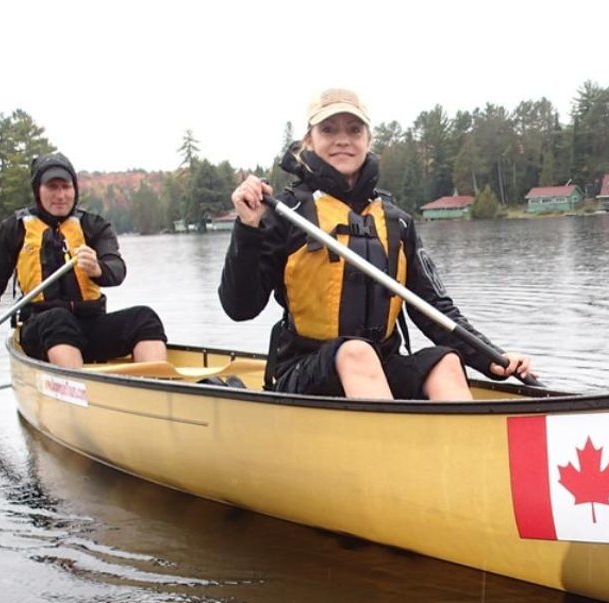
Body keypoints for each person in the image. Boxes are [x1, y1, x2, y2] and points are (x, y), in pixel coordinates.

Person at [219, 88, 533, 399]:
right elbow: (240, 308)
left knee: (446, 361)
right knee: (356, 353)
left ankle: (464, 446)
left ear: (368, 141)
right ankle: (391, 445)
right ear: (309, 140)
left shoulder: (396, 221)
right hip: (304, 370)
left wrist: (493, 358)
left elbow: (435, 309)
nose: (342, 139)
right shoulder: (286, 213)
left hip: (381, 365)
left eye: (354, 130)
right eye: (328, 129)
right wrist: (248, 228)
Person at [0, 152, 167, 368]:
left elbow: (116, 269)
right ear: (38, 190)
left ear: (75, 189)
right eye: (52, 187)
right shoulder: (14, 229)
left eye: (66, 187)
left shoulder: (94, 226)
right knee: (58, 320)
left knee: (144, 318)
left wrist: (98, 269)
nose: (61, 195)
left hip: (89, 324)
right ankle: (80, 390)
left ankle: (157, 386)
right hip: (40, 329)